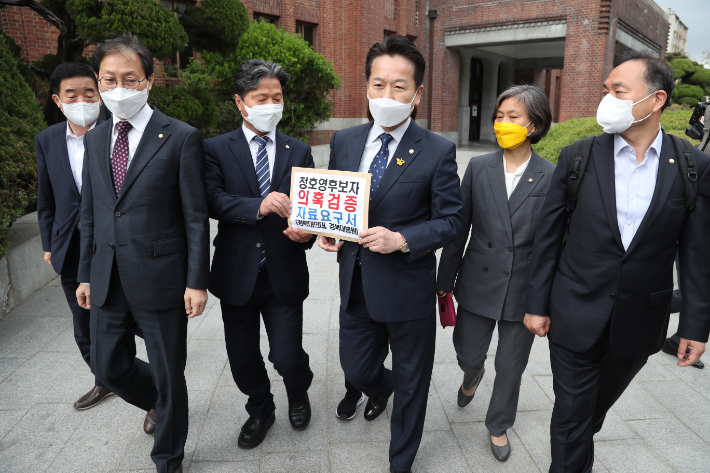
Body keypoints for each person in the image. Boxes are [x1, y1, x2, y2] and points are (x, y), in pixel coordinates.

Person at [524, 50, 710, 473]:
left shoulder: (692, 166)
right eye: (605, 90)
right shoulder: (578, 157)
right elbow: (548, 239)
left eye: (618, 90)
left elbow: (696, 256)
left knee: (588, 415)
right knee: (571, 417)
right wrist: (535, 303)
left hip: (640, 319)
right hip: (573, 311)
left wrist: (696, 326)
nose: (606, 98)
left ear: (656, 99)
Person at [318, 34, 463, 473]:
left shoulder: (438, 150)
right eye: (378, 84)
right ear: (366, 87)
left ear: (416, 94)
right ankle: (380, 389)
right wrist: (329, 232)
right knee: (358, 368)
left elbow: (452, 222)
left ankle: (401, 462)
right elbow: (334, 203)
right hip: (356, 284)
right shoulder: (345, 142)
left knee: (415, 383)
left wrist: (401, 239)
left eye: (399, 86)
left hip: (407, 287)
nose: (387, 95)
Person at [76, 32, 210, 473]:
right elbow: (92, 213)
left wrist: (197, 282)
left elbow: (195, 216)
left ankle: (169, 457)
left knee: (170, 371)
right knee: (108, 365)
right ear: (98, 81)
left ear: (150, 80)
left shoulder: (181, 137)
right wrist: (84, 274)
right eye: (109, 80)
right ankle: (161, 400)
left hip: (162, 277)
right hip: (107, 275)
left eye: (129, 79)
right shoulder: (95, 139)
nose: (119, 89)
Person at [436, 85, 555, 462]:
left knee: (510, 366)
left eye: (513, 117)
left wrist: (548, 299)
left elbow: (554, 244)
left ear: (534, 125)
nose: (503, 123)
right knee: (468, 353)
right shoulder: (478, 167)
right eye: (499, 116)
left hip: (524, 289)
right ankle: (471, 377)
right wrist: (444, 281)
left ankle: (499, 424)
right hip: (477, 280)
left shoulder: (551, 175)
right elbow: (459, 229)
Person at [204, 59, 316, 449]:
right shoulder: (216, 148)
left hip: (282, 271)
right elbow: (212, 200)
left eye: (277, 97)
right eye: (260, 98)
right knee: (242, 359)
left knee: (286, 356)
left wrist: (308, 234)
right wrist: (258, 205)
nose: (271, 104)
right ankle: (260, 408)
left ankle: (298, 391)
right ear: (240, 102)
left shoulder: (298, 150)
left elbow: (312, 210)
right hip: (236, 273)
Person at [36, 62, 114, 410]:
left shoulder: (118, 133)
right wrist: (49, 244)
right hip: (70, 246)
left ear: (100, 95)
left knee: (122, 322)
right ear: (58, 99)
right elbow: (46, 198)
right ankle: (105, 380)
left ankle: (147, 382)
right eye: (72, 94)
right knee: (83, 325)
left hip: (113, 243)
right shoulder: (47, 140)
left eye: (89, 93)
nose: (82, 100)